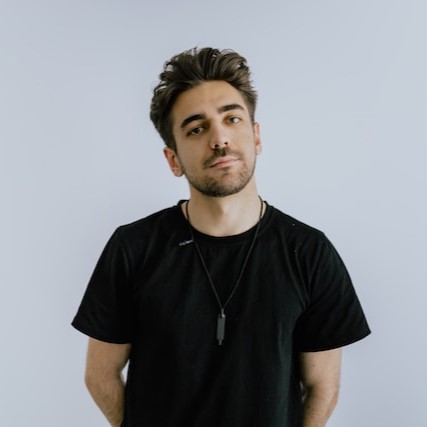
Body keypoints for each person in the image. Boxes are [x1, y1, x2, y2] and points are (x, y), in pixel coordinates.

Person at [72, 47, 370, 427]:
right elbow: (100, 375)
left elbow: (322, 386)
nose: (219, 138)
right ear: (173, 159)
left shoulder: (309, 252)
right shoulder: (133, 248)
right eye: (196, 129)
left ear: (256, 136)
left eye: (232, 119)